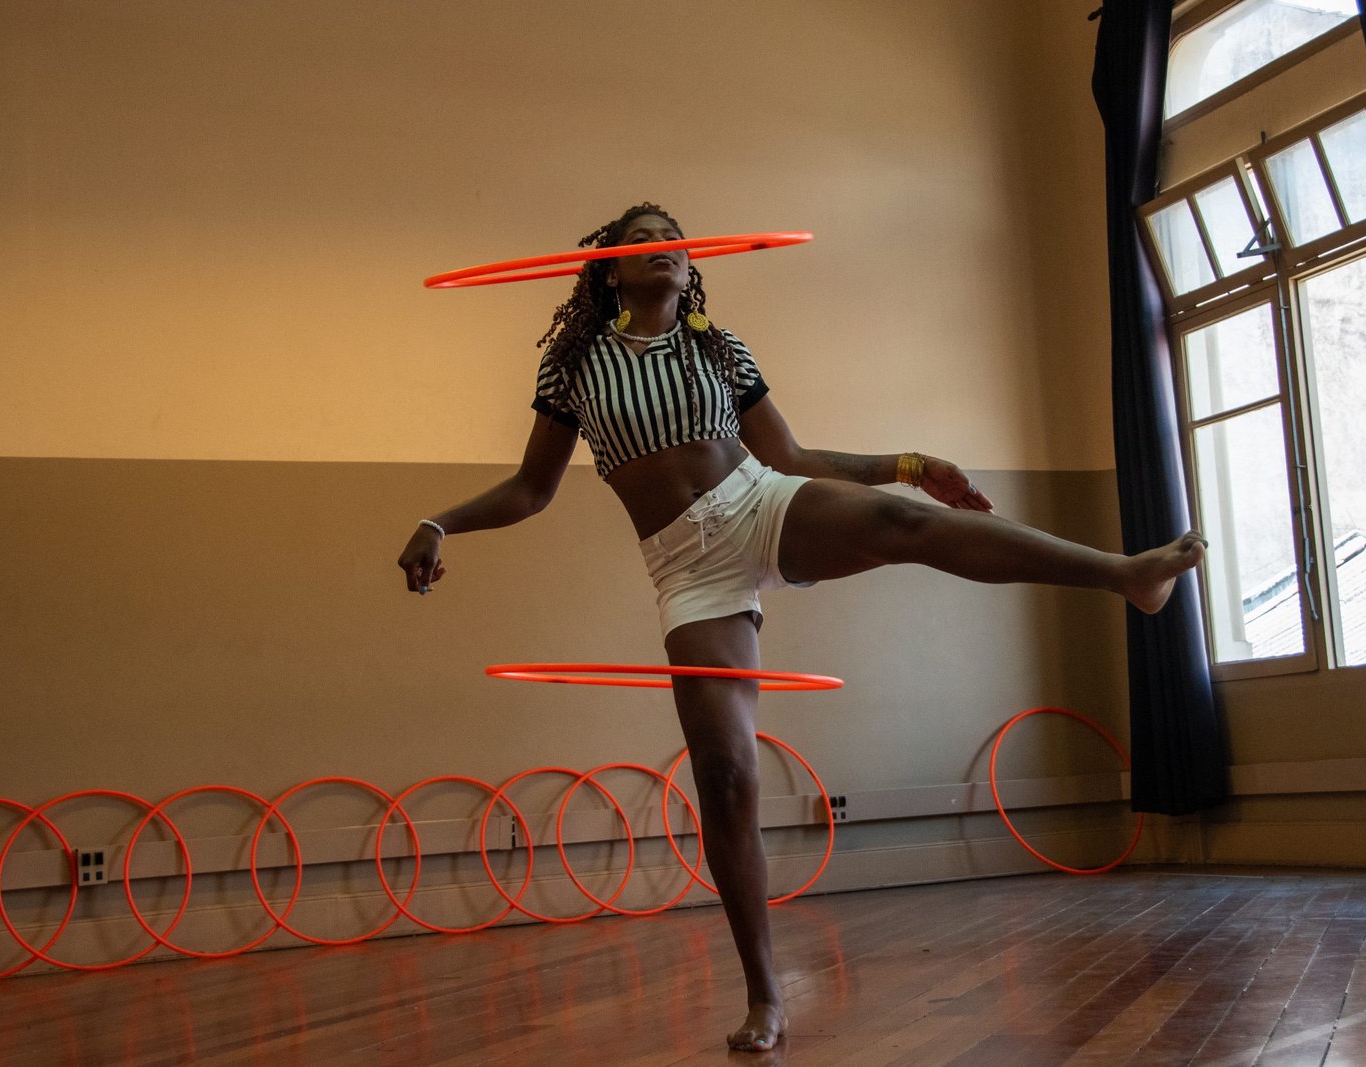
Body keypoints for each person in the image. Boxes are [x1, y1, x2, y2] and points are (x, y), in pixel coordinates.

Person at [396, 203, 1205, 1052]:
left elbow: (791, 457)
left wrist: (910, 465)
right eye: (644, 241)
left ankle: (1124, 574)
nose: (664, 251)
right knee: (725, 771)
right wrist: (441, 522)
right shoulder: (577, 365)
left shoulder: (720, 347)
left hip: (758, 503)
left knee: (903, 525)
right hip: (686, 567)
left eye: (675, 239)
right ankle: (765, 995)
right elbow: (532, 487)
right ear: (611, 269)